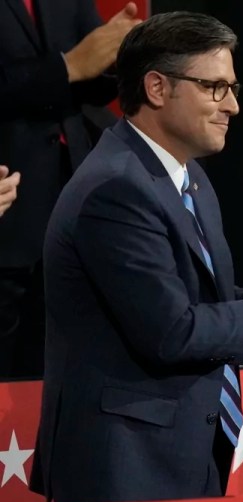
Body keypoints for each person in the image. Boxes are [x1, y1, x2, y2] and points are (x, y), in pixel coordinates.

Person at [28, 11, 243, 502]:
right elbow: (171, 331)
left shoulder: (186, 177)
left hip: (182, 454)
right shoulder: (116, 189)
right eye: (214, 87)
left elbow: (190, 301)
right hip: (123, 466)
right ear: (157, 87)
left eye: (232, 87)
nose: (231, 105)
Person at [0, 0, 142, 379]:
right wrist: (66, 68)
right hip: (9, 199)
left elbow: (91, 79)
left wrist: (116, 58)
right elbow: (73, 67)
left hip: (73, 195)